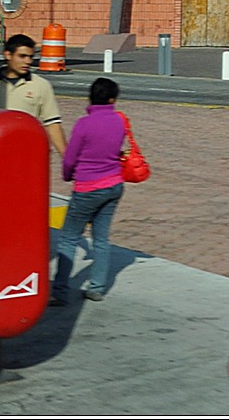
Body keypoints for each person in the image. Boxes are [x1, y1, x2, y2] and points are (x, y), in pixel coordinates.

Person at [50, 77, 128, 306]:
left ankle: (60, 291)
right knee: (101, 239)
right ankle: (97, 287)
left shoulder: (84, 124)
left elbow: (70, 157)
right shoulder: (119, 122)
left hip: (87, 187)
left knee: (68, 239)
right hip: (114, 185)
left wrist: (67, 176)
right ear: (112, 99)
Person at [0, 34, 66, 156]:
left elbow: (53, 124)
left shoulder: (41, 85)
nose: (28, 61)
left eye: (30, 57)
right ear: (8, 55)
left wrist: (67, 160)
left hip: (26, 154)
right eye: (22, 56)